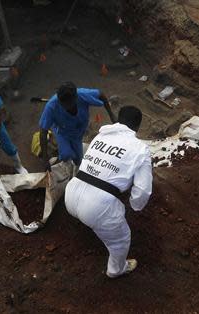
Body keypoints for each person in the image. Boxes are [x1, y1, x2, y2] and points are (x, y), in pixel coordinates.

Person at [65, 106, 153, 278]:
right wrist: (135, 205)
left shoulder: (101, 136)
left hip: (71, 194)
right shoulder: (141, 149)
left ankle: (90, 221)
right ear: (137, 126)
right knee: (121, 240)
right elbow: (143, 190)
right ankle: (116, 269)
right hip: (98, 207)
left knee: (92, 211)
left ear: (118, 120)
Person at [39, 82, 116, 169]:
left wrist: (111, 115)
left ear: (75, 98)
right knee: (66, 155)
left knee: (78, 160)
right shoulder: (51, 107)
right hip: (62, 131)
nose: (65, 107)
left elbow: (101, 95)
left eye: (68, 104)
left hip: (78, 133)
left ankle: (70, 156)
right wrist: (45, 159)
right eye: (63, 104)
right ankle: (61, 157)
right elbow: (43, 132)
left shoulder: (83, 94)